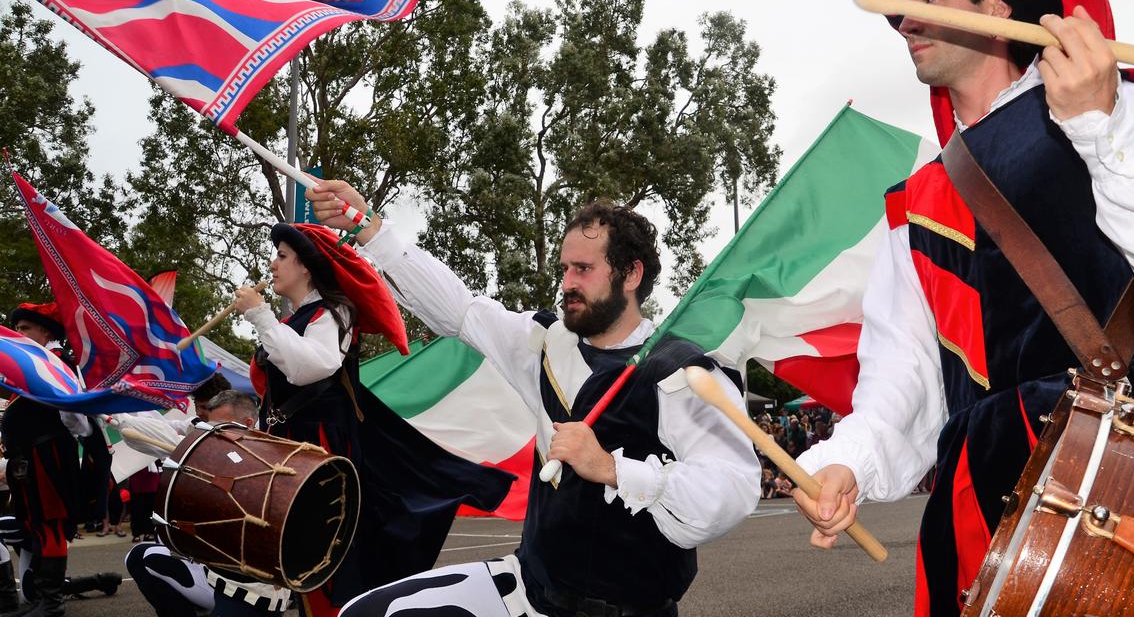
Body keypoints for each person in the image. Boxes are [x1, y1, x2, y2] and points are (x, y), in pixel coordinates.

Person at [791, 0, 1134, 616]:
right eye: (900, 5)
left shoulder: (1111, 104)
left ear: (994, 12)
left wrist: (1101, 128)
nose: (904, 17)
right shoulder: (918, 200)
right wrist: (847, 463)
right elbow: (904, 376)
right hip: (985, 482)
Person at [302, 186, 760, 617]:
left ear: (632, 274)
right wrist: (369, 227)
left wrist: (613, 469)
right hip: (528, 592)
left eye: (584, 269)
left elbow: (734, 487)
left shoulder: (682, 371)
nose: (568, 283)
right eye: (565, 269)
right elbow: (461, 311)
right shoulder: (545, 341)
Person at [232, 222, 513, 616]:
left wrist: (261, 318)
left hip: (319, 448)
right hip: (290, 444)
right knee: (290, 551)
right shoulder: (294, 320)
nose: (273, 265)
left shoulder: (333, 312)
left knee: (320, 553)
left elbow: (312, 366)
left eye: (282, 256)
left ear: (307, 267)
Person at [126, 390, 291, 617]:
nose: (214, 434)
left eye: (221, 426)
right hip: (214, 574)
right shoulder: (211, 449)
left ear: (249, 423)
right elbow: (168, 430)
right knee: (139, 557)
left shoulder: (266, 465)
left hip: (251, 589)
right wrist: (115, 418)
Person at [2, 302, 94, 617]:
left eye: (25, 328)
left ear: (45, 331)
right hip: (30, 456)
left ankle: (52, 604)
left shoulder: (55, 362)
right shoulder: (33, 363)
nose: (19, 334)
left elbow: (74, 414)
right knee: (37, 525)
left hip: (47, 454)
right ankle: (43, 599)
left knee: (51, 526)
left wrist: (58, 441)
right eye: (18, 329)